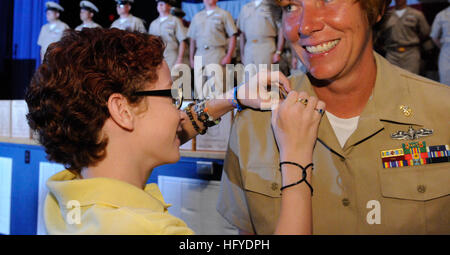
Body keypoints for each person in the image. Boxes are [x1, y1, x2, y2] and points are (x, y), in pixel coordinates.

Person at [217, 0, 450, 235]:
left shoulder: (442, 114)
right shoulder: (255, 122)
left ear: (375, 6)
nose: (305, 25)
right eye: (290, 6)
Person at [25, 28, 324, 234]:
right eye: (171, 96)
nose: (179, 111)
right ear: (122, 110)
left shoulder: (65, 194)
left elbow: (142, 137)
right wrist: (296, 156)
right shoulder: (152, 230)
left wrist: (233, 97)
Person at [187, 0, 238, 99]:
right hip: (200, 54)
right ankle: (203, 116)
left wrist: (229, 55)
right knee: (200, 91)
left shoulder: (223, 14)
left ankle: (221, 117)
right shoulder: (197, 16)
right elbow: (192, 39)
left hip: (217, 53)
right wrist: (191, 58)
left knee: (217, 90)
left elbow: (233, 36)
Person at [378, 0, 431, 74]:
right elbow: (379, 35)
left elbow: (426, 33)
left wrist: (428, 53)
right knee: (392, 81)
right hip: (392, 54)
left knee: (412, 82)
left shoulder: (417, 15)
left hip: (411, 54)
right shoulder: (387, 16)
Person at [237, 0, 283, 73]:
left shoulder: (272, 5)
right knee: (249, 83)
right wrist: (242, 55)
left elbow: (281, 30)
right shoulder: (245, 8)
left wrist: (278, 52)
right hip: (249, 49)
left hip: (266, 48)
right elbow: (242, 35)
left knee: (266, 83)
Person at [148, 0, 188, 70]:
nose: (160, 6)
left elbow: (182, 41)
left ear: (169, 6)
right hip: (157, 58)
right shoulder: (153, 23)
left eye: (162, 4)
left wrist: (179, 59)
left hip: (172, 56)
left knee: (173, 80)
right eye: (158, 4)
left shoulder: (175, 20)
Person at [430, 0, 450, 85]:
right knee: (446, 83)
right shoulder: (441, 15)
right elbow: (434, 36)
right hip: (446, 52)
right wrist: (444, 48)